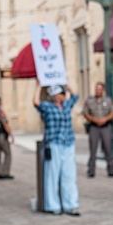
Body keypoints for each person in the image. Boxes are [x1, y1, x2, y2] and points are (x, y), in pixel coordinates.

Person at [33, 83, 80, 215]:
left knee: (69, 175)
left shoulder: (66, 105)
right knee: (52, 175)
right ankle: (53, 205)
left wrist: (67, 84)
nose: (64, 96)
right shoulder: (47, 107)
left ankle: (71, 205)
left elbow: (75, 96)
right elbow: (36, 102)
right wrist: (38, 86)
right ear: (56, 96)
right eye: (62, 93)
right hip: (54, 143)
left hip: (68, 142)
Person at [81, 82, 113, 178]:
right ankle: (91, 170)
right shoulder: (90, 101)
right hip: (94, 126)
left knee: (107, 148)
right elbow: (85, 112)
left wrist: (105, 119)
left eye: (100, 89)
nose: (98, 91)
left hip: (106, 126)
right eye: (96, 89)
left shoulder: (108, 100)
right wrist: (94, 120)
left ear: (103, 90)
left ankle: (110, 169)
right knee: (93, 149)